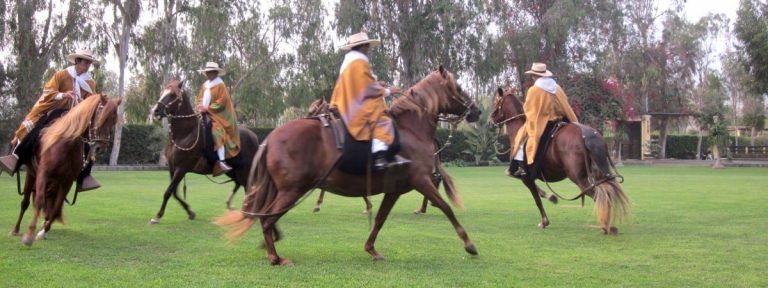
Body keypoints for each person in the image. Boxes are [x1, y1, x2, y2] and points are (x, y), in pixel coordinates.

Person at [0, 50, 102, 192]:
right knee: (34, 130)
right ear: (77, 61)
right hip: (57, 112)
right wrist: (63, 95)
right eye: (86, 62)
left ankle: (85, 176)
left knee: (87, 143)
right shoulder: (62, 75)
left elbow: (91, 102)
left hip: (75, 119)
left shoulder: (90, 83)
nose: (88, 66)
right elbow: (48, 90)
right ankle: (15, 158)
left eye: (90, 63)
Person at [330, 32, 409, 171]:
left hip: (346, 101)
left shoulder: (349, 62)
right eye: (367, 46)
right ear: (363, 47)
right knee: (383, 121)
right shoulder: (360, 62)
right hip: (356, 106)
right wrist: (389, 91)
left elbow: (361, 84)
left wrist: (377, 83)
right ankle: (379, 156)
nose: (368, 49)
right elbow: (367, 88)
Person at [509, 62, 579, 177]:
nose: (532, 77)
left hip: (543, 123)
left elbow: (529, 110)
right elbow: (564, 103)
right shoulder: (557, 88)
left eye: (533, 75)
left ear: (535, 76)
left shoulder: (534, 90)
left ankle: (522, 168)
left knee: (521, 139)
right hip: (561, 120)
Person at [196, 62, 240, 177]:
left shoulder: (221, 85)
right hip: (204, 113)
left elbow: (221, 102)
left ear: (215, 72)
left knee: (217, 131)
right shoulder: (205, 85)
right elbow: (200, 98)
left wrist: (208, 108)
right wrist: (200, 106)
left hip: (218, 116)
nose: (208, 74)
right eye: (207, 72)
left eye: (210, 72)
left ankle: (221, 161)